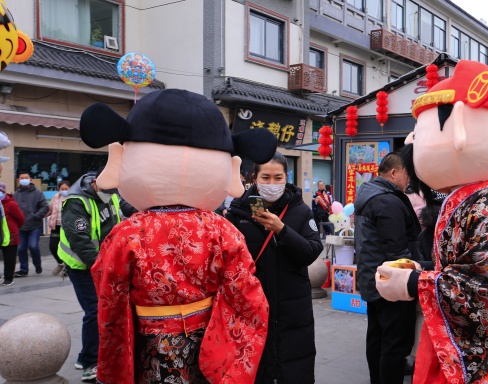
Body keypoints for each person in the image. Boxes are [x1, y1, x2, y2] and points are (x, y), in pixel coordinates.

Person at [79, 89, 275, 383]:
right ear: (230, 170)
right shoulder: (222, 229)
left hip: (150, 340)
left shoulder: (127, 233)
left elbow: (109, 293)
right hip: (210, 340)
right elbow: (247, 295)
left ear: (121, 160)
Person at [376, 60, 488, 383]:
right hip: (454, 340)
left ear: (457, 126)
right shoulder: (471, 199)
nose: (414, 143)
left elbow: (482, 290)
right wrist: (422, 271)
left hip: (478, 352)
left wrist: (417, 283)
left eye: (422, 134)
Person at [226, 151, 323, 384]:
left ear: (286, 177)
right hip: (251, 305)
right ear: (255, 178)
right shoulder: (238, 213)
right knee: (255, 366)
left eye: (278, 178)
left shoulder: (300, 211)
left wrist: (282, 229)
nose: (272, 183)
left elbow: (311, 252)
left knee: (294, 364)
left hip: (292, 306)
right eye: (266, 177)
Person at [354, 150, 421, 384]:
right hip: (392, 284)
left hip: (374, 278)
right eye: (407, 174)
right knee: (394, 343)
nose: (409, 180)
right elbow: (397, 250)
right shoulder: (387, 200)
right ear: (394, 172)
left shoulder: (371, 193)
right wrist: (414, 275)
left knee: (377, 336)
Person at [58, 171, 122, 381]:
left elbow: (123, 214)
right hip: (82, 265)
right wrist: (100, 267)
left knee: (108, 308)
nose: (111, 194)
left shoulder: (110, 192)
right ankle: (88, 362)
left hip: (105, 262)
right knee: (94, 310)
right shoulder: (76, 203)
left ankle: (95, 355)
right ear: (95, 184)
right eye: (107, 190)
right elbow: (80, 240)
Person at [14, 171, 48, 277]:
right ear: (19, 180)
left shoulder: (38, 192)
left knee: (33, 246)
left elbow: (44, 206)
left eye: (26, 177)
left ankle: (37, 264)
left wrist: (36, 216)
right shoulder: (16, 193)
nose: (24, 179)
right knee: (21, 248)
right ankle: (23, 269)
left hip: (34, 225)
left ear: (30, 179)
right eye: (21, 178)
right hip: (21, 226)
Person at [0, 182, 24, 286]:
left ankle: (8, 278)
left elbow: (21, 219)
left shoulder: (11, 204)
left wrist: (14, 229)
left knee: (9, 258)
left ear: (3, 192)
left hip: (11, 236)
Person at [47, 180, 70, 276]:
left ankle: (67, 267)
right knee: (53, 246)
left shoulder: (73, 197)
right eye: (62, 189)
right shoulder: (56, 197)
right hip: (56, 225)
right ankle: (61, 263)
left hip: (68, 226)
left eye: (66, 189)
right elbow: (50, 209)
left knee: (67, 248)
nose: (64, 190)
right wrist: (39, 215)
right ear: (59, 189)